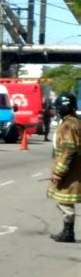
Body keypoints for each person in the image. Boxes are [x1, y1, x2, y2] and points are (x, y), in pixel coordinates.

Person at [47, 92, 81, 243]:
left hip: (71, 170)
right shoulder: (75, 122)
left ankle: (68, 232)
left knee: (64, 200)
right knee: (65, 200)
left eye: (59, 107)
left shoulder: (68, 125)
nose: (57, 110)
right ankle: (68, 231)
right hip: (75, 168)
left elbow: (69, 151)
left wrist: (59, 172)